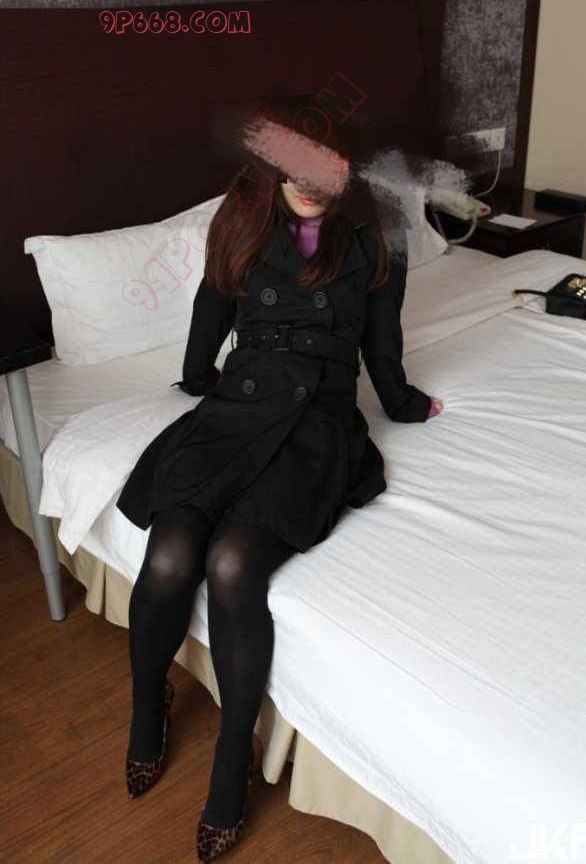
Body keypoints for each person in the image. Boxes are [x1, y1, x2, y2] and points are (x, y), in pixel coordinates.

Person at [117, 93, 443, 863]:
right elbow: (211, 309)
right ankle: (147, 704)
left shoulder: (371, 240)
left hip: (316, 423)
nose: (312, 185)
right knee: (171, 551)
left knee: (235, 561)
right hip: (237, 406)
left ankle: (233, 754)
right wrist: (198, 378)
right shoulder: (240, 224)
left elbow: (382, 346)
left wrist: (403, 402)